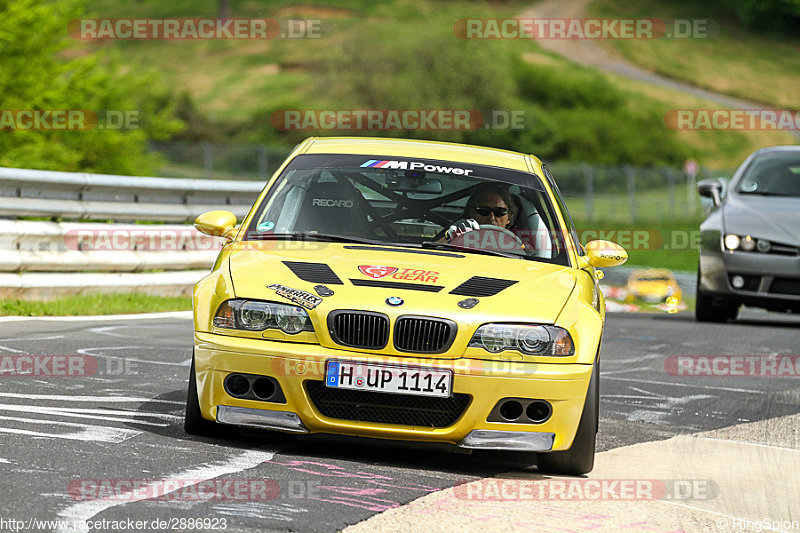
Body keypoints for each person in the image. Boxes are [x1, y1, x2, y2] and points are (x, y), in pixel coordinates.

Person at [444, 182, 518, 241]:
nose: (491, 218)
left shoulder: (519, 250)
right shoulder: (457, 240)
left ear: (509, 217)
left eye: (499, 211)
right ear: (471, 213)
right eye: (483, 210)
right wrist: (450, 238)